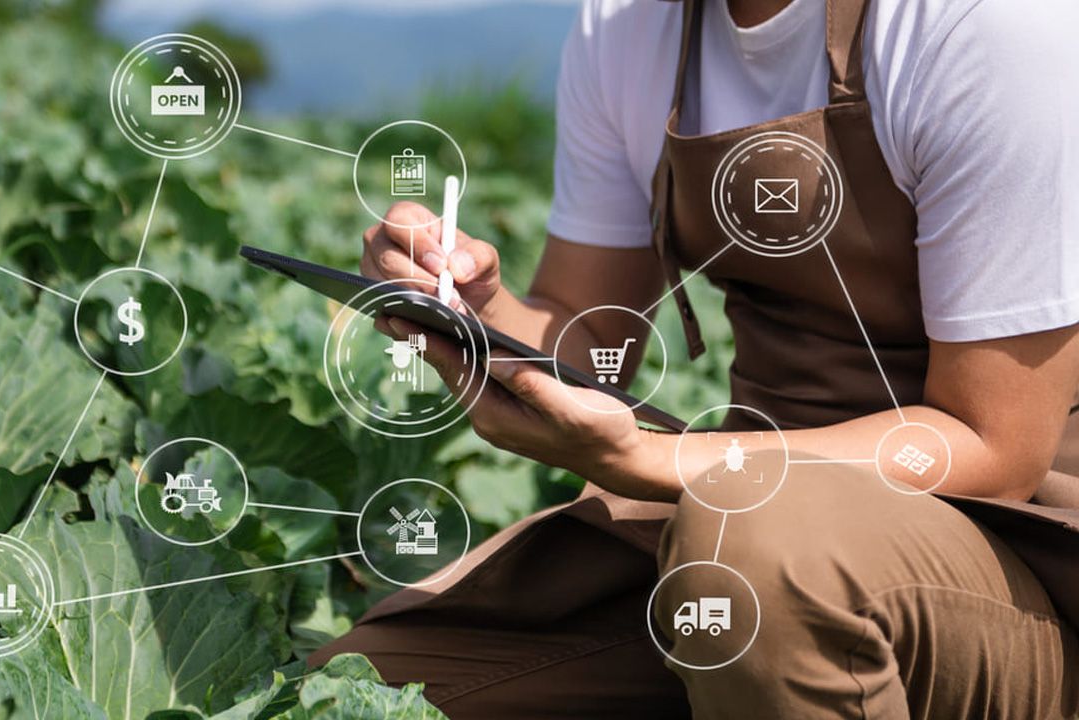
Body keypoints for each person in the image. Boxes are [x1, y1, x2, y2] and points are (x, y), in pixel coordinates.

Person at [310, 0, 1079, 716]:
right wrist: (472, 311)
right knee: (366, 688)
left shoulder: (982, 26)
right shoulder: (627, 24)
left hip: (1026, 568)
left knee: (753, 555)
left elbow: (994, 446)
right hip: (742, 531)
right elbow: (590, 336)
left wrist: (654, 461)